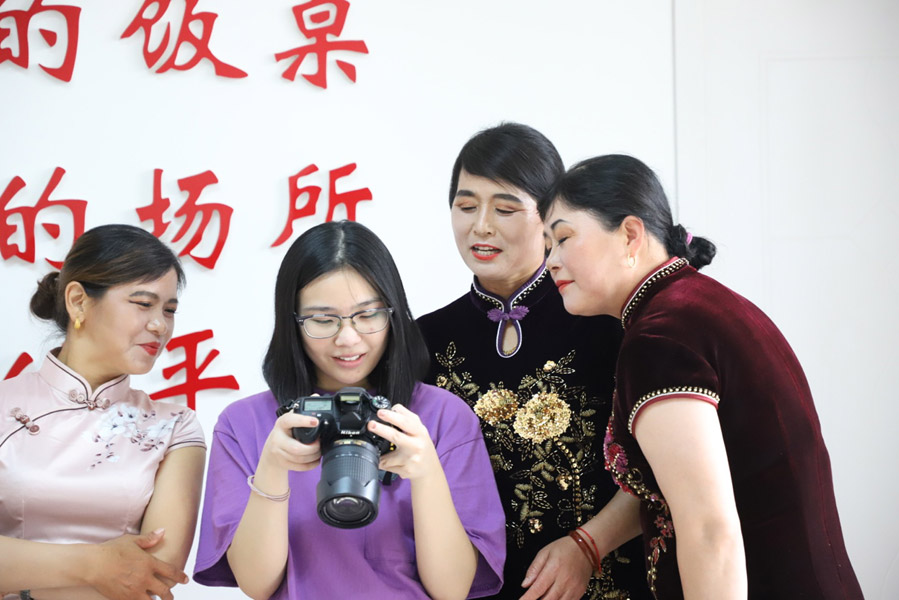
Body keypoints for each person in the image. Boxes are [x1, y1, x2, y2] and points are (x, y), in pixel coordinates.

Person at [539, 154, 864, 599]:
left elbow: (709, 529)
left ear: (630, 234)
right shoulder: (695, 303)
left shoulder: (660, 337)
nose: (550, 261)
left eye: (562, 238)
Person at [193, 220, 505, 600]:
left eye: (368, 315)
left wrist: (426, 475)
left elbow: (452, 589)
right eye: (323, 320)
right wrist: (272, 468)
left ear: (393, 313)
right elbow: (257, 585)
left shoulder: (441, 417)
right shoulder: (245, 425)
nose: (348, 338)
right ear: (292, 323)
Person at [417, 123, 650, 600]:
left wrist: (589, 545)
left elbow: (658, 471)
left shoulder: (607, 323)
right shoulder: (424, 340)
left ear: (551, 221)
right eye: (465, 206)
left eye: (504, 208)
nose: (480, 225)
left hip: (606, 579)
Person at [0, 224, 207, 600]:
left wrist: (21, 573)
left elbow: (156, 573)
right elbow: (124, 572)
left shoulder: (176, 426)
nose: (160, 325)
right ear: (78, 301)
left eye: (169, 309)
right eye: (143, 304)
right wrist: (97, 565)